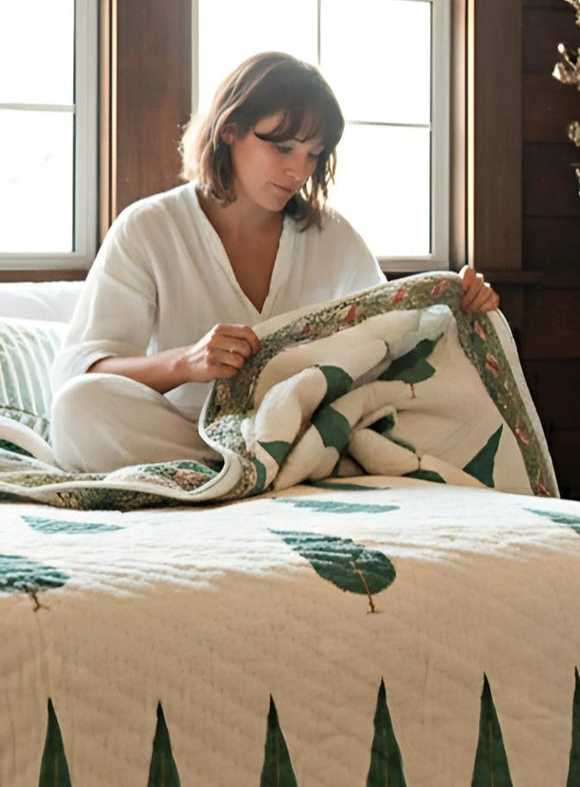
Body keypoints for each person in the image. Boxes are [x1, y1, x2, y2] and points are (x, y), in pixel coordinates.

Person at [50, 51, 499, 473]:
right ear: (230, 129)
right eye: (283, 148)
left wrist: (457, 305)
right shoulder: (148, 228)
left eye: (313, 154)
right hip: (183, 435)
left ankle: (260, 471)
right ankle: (255, 473)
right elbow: (79, 373)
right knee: (78, 409)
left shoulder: (333, 238)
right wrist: (187, 362)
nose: (298, 172)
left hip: (301, 433)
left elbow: (395, 336)